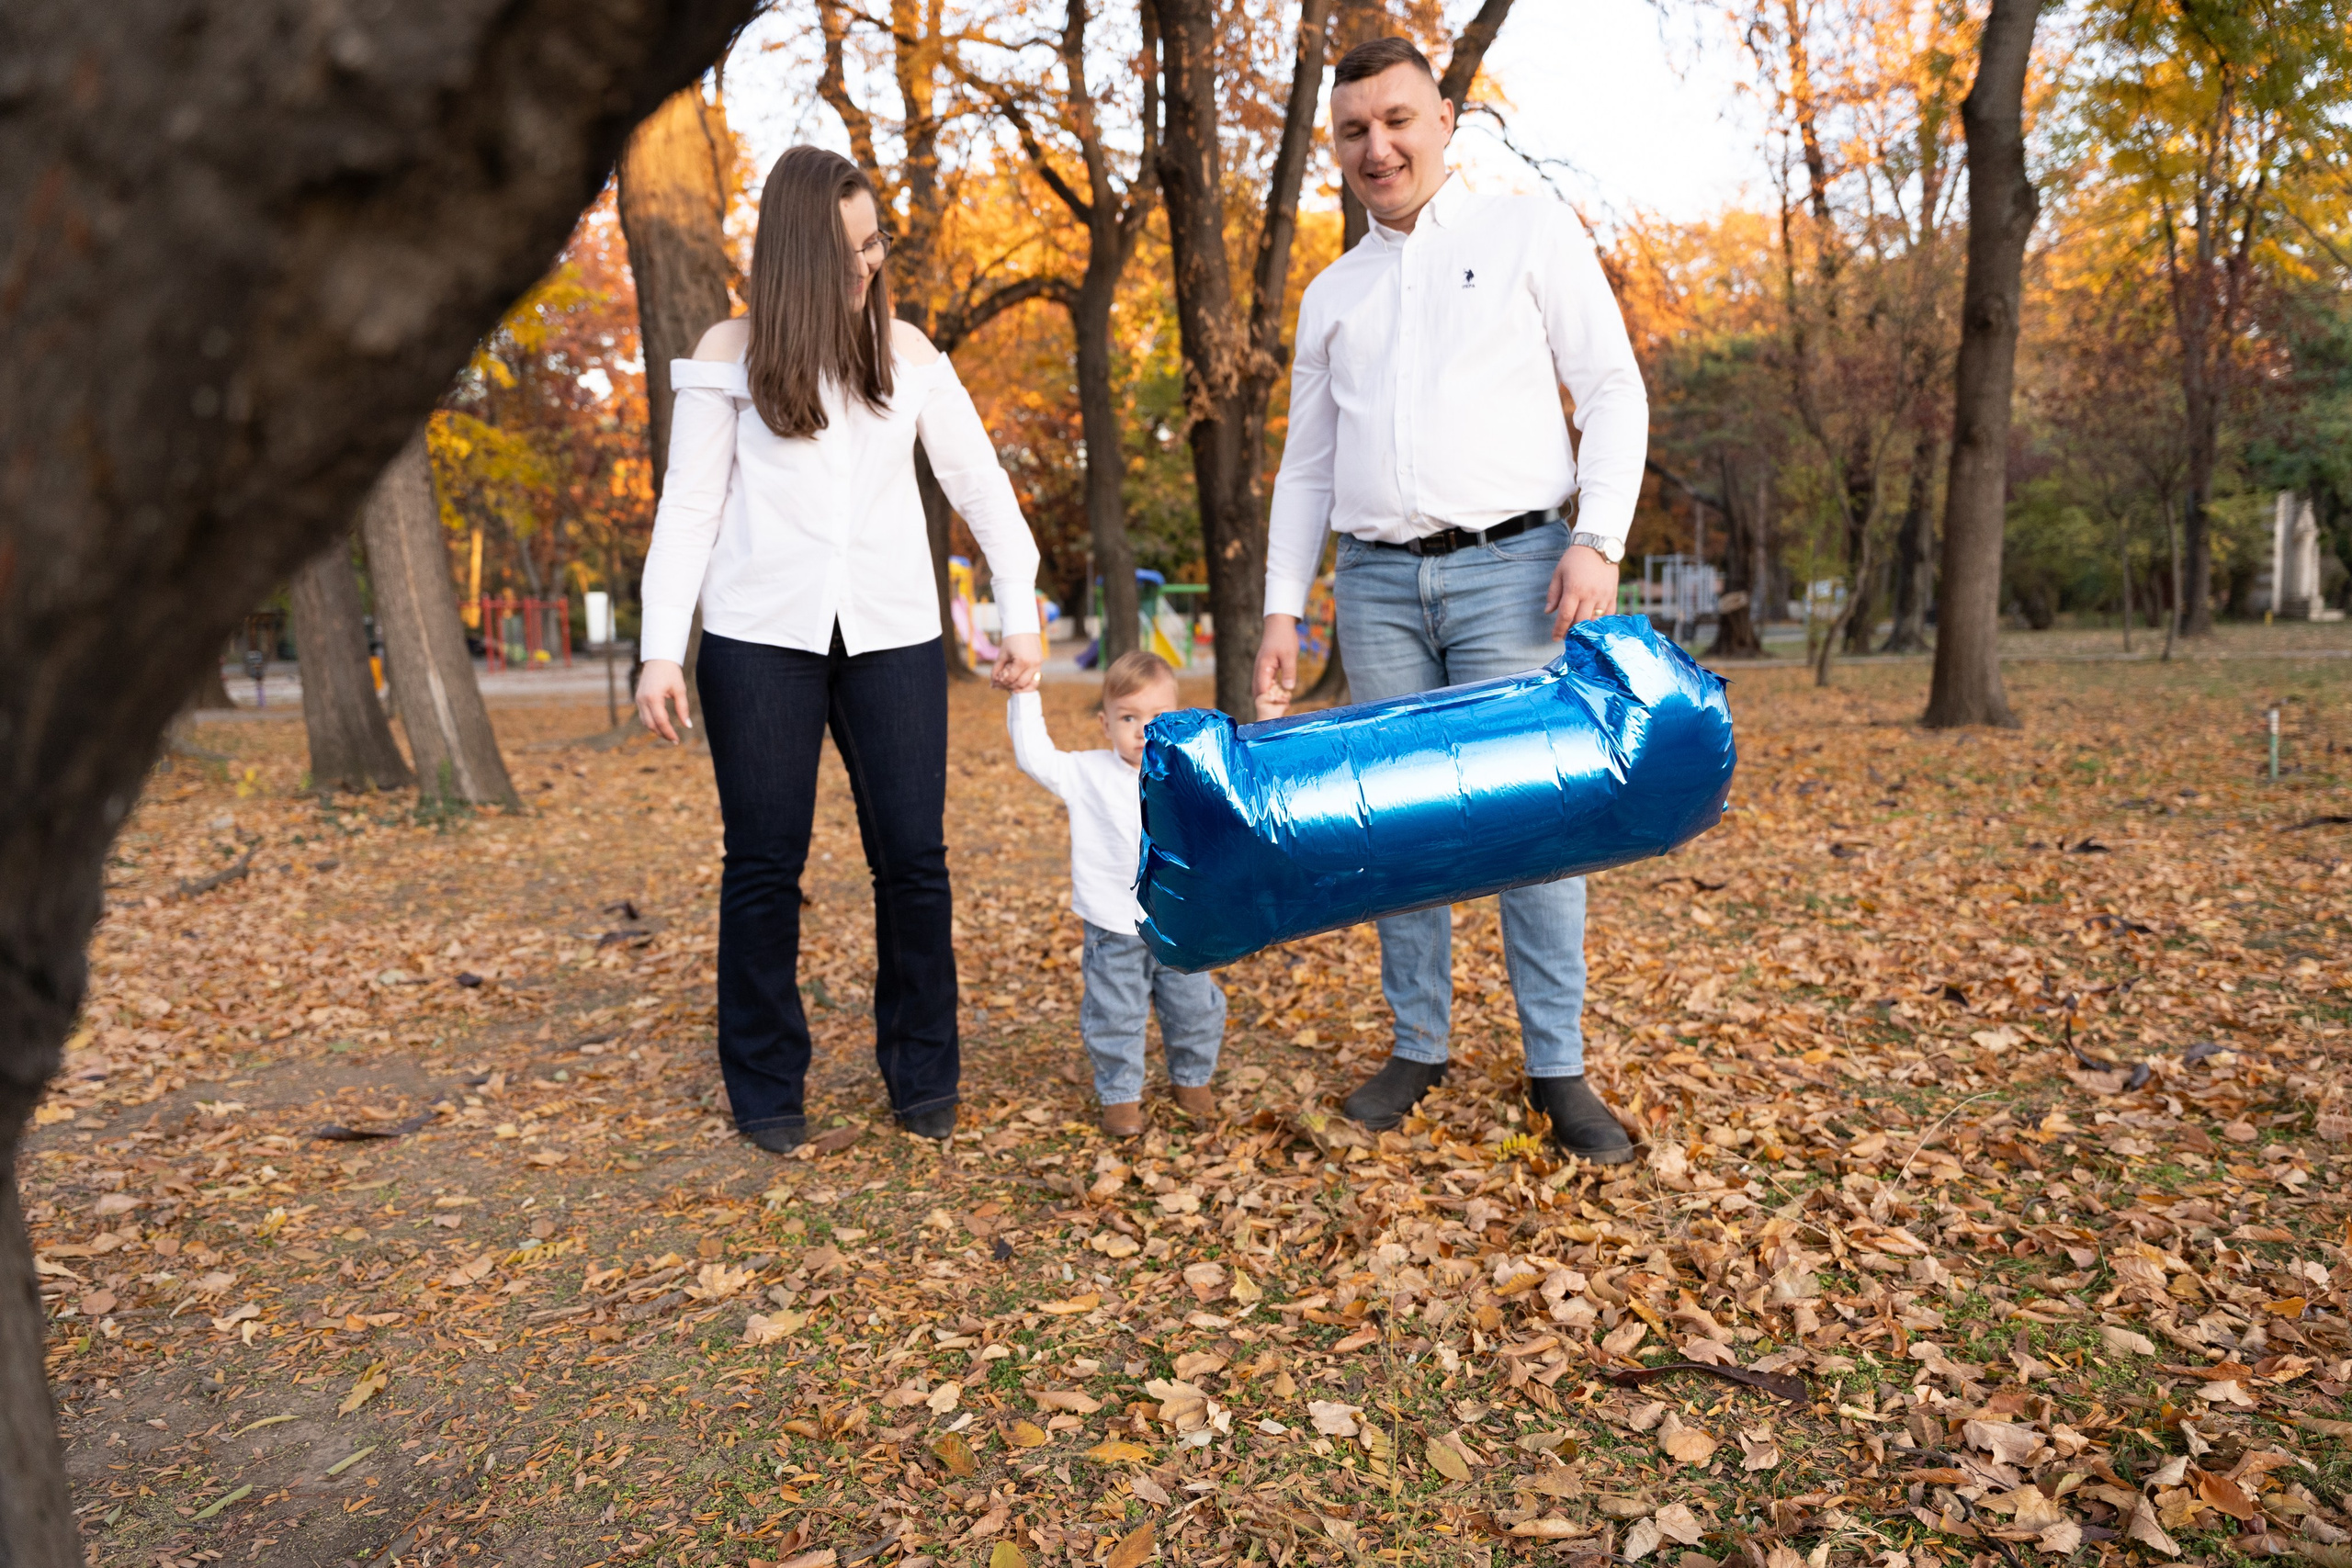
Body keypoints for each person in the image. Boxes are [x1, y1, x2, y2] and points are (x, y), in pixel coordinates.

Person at [1251, 38, 1647, 1164]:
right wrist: (1287, 609)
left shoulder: (1524, 231)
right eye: (1352, 131)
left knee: (1534, 827)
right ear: (1334, 148)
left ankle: (1556, 1071)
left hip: (1516, 574)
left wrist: (1598, 538)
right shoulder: (1331, 296)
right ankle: (1417, 1045)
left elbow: (1612, 387)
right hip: (1375, 587)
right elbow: (1307, 470)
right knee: (1395, 832)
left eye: (1397, 120)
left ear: (1446, 120)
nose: (1377, 147)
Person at [636, 145, 1045, 1155]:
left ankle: (922, 1074)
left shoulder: (901, 350)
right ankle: (767, 1086)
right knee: (763, 866)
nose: (869, 266)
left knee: (912, 861)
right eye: (850, 249)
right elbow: (689, 508)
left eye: (877, 245)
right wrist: (658, 650)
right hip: (756, 643)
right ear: (798, 253)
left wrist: (1020, 606)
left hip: (894, 638)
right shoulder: (729, 352)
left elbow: (981, 485)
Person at [1008, 651, 1226, 1138]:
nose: (1143, 730)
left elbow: (1249, 786)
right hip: (1113, 927)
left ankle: (1193, 1081)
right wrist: (1024, 695)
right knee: (1115, 1017)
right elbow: (1034, 758)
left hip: (1180, 926)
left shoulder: (1191, 776)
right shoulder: (1087, 773)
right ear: (1105, 723)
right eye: (1129, 718)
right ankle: (1121, 1098)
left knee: (1194, 1010)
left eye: (1157, 718)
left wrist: (1270, 712)